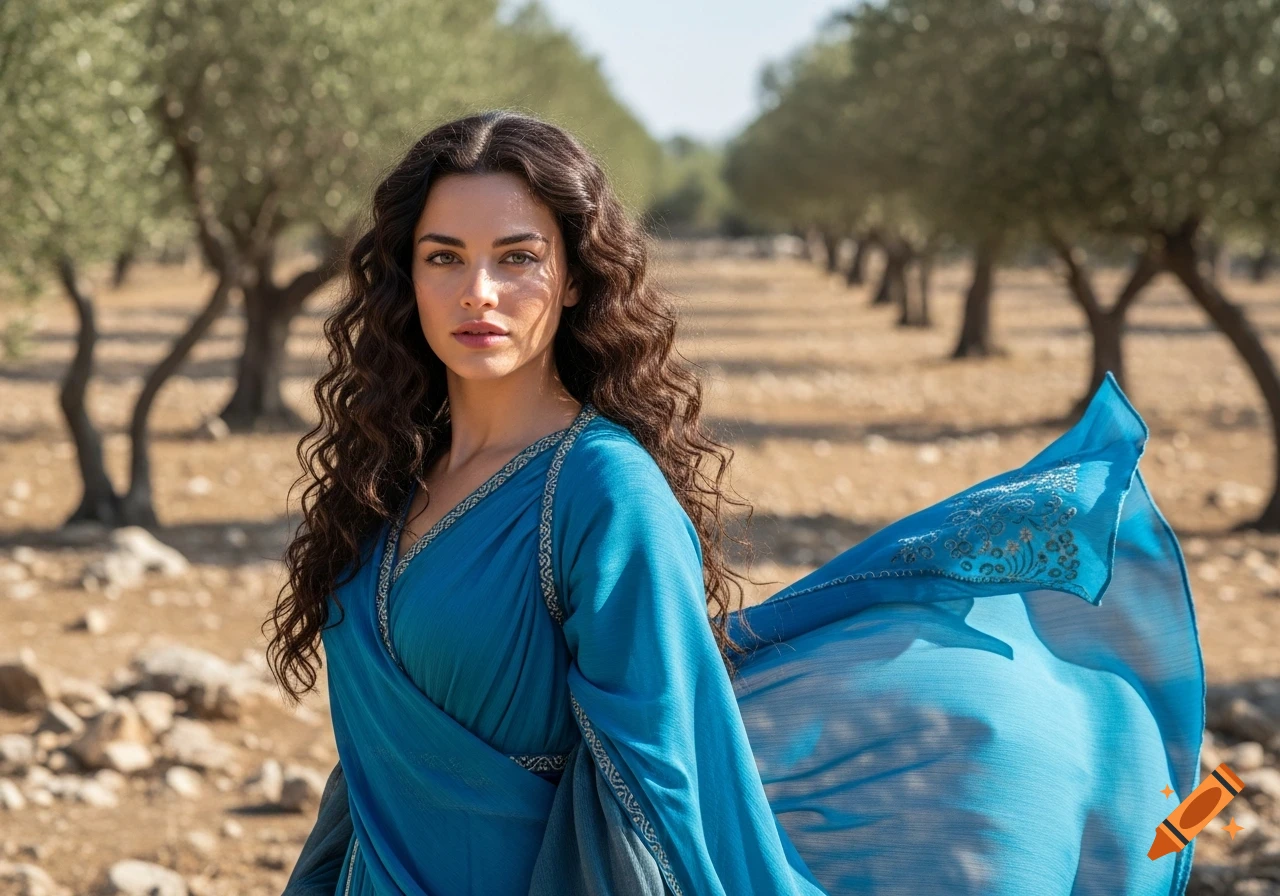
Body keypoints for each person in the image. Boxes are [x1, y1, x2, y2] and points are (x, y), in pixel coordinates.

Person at [270, 110, 1203, 896]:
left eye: (518, 257)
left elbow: (660, 777)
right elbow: (374, 762)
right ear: (406, 275)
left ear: (575, 277)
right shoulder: (388, 476)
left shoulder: (599, 490)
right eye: (445, 257)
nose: (480, 292)